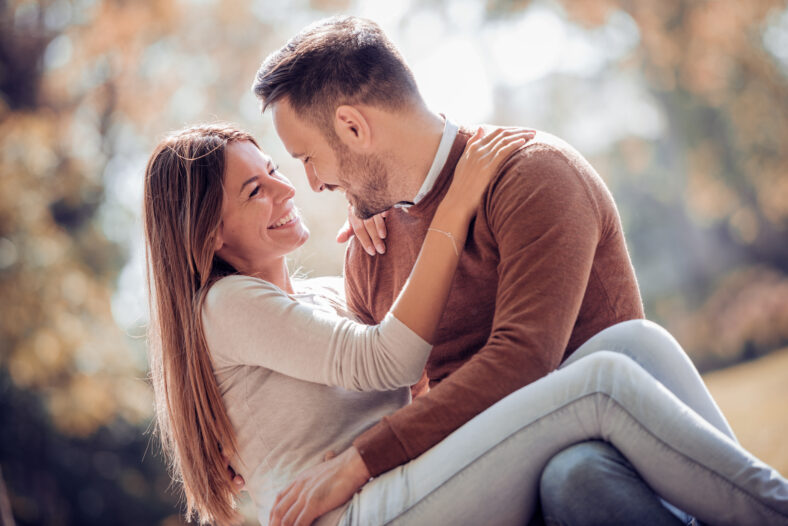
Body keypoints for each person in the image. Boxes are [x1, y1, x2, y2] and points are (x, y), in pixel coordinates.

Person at [249, 15, 779, 526]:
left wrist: (359, 461)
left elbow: (523, 358)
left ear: (352, 126)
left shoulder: (532, 175)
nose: (312, 183)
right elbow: (388, 399)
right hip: (497, 488)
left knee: (575, 476)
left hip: (616, 460)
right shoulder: (371, 247)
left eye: (308, 158)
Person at [142, 124, 788, 526]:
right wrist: (460, 201)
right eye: (255, 192)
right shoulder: (226, 307)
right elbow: (389, 361)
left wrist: (377, 231)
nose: (288, 191)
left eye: (276, 171)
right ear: (208, 234)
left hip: (412, 484)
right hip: (360, 513)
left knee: (633, 342)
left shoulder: (316, 297)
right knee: (600, 385)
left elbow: (399, 353)